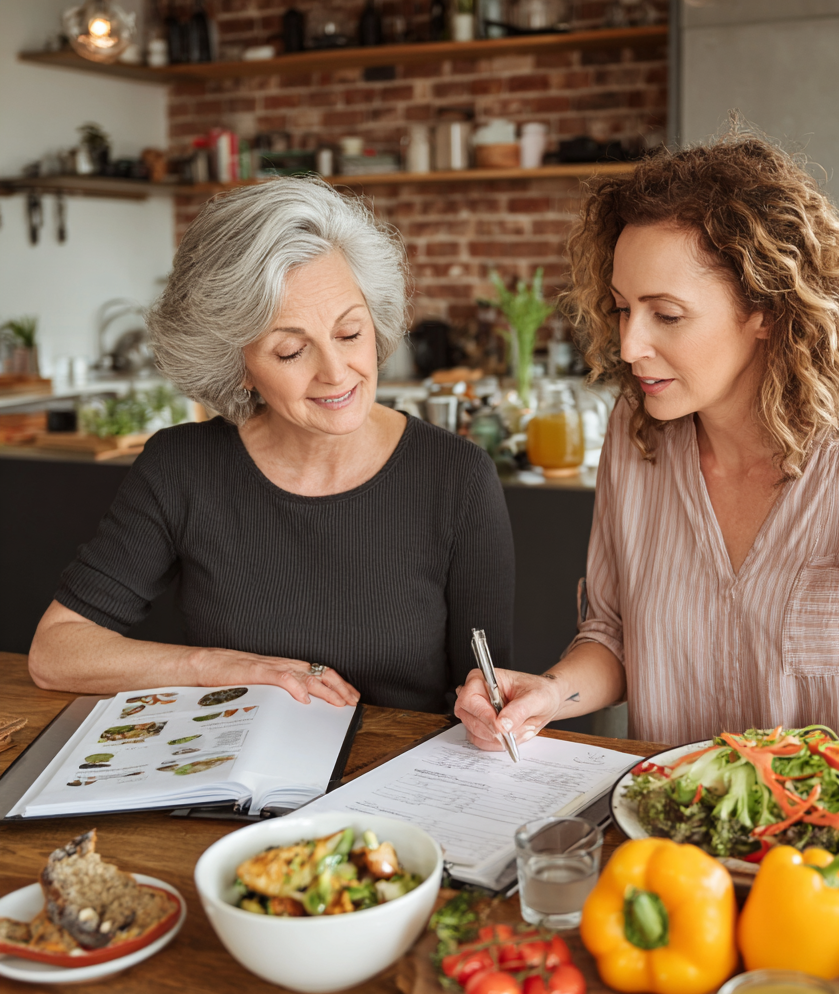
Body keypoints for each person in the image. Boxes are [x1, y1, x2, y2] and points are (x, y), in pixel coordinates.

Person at [456, 133, 839, 769]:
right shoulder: (635, 433)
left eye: (667, 315)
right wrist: (549, 693)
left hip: (819, 846)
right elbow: (614, 637)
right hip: (664, 833)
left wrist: (779, 802)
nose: (629, 346)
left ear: (765, 308)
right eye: (622, 310)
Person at [29, 176, 514, 713]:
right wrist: (217, 666)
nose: (337, 373)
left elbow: (488, 688)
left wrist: (489, 714)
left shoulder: (456, 475)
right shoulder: (182, 467)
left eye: (350, 334)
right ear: (239, 368)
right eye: (290, 351)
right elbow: (55, 651)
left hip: (395, 783)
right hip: (229, 781)